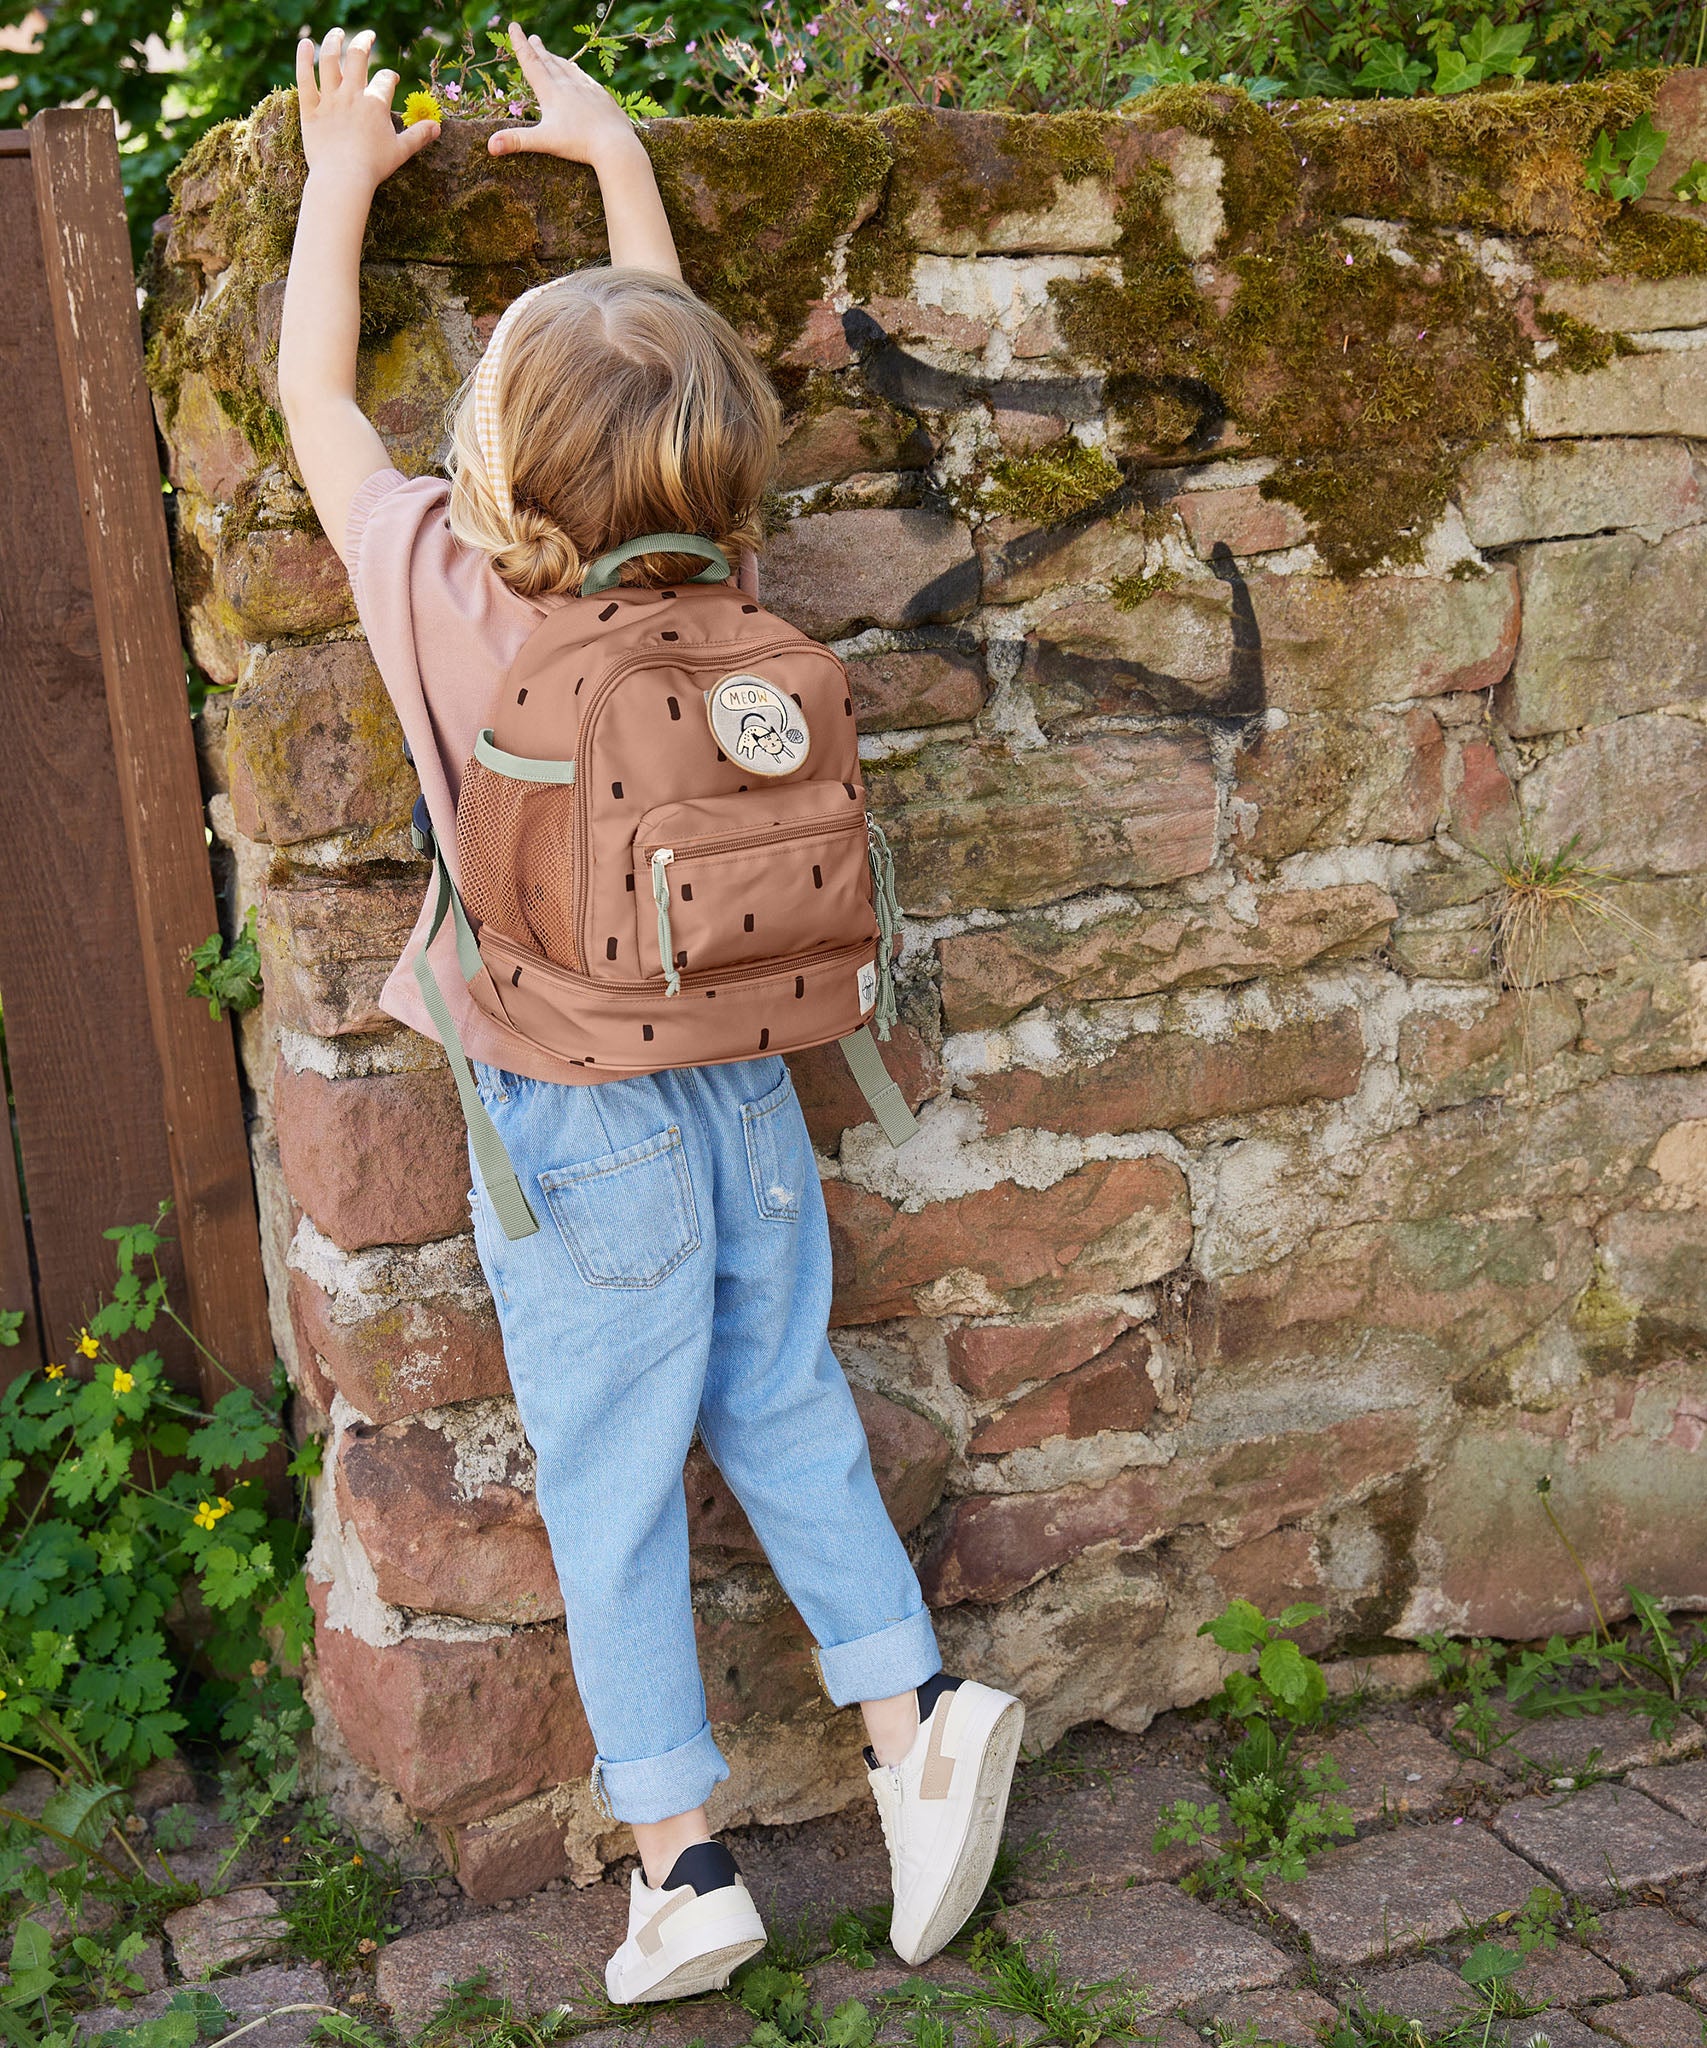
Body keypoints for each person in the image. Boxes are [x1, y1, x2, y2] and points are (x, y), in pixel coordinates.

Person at [276, 23, 1024, 2004]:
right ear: (713, 472)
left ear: (500, 461)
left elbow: (308, 403)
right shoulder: (729, 589)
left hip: (563, 1106)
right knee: (778, 1395)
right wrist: (616, 159)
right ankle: (914, 1722)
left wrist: (339, 171)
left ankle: (681, 1864)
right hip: (743, 1076)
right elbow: (669, 360)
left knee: (610, 1473)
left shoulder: (449, 590)